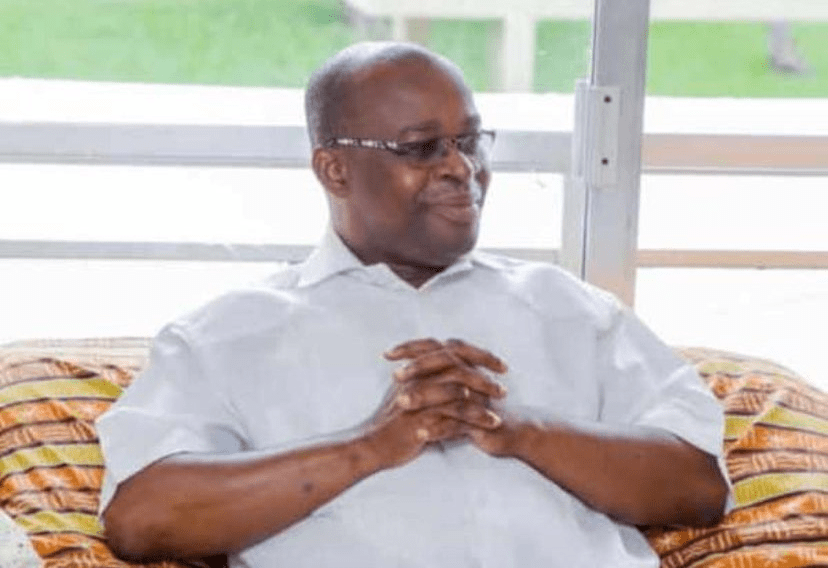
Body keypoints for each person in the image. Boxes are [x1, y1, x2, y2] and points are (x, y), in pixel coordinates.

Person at [97, 42, 729, 568]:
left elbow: (698, 484)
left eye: (471, 142)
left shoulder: (570, 308)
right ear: (334, 170)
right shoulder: (228, 334)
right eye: (423, 148)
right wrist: (369, 446)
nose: (462, 169)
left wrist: (517, 430)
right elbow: (143, 516)